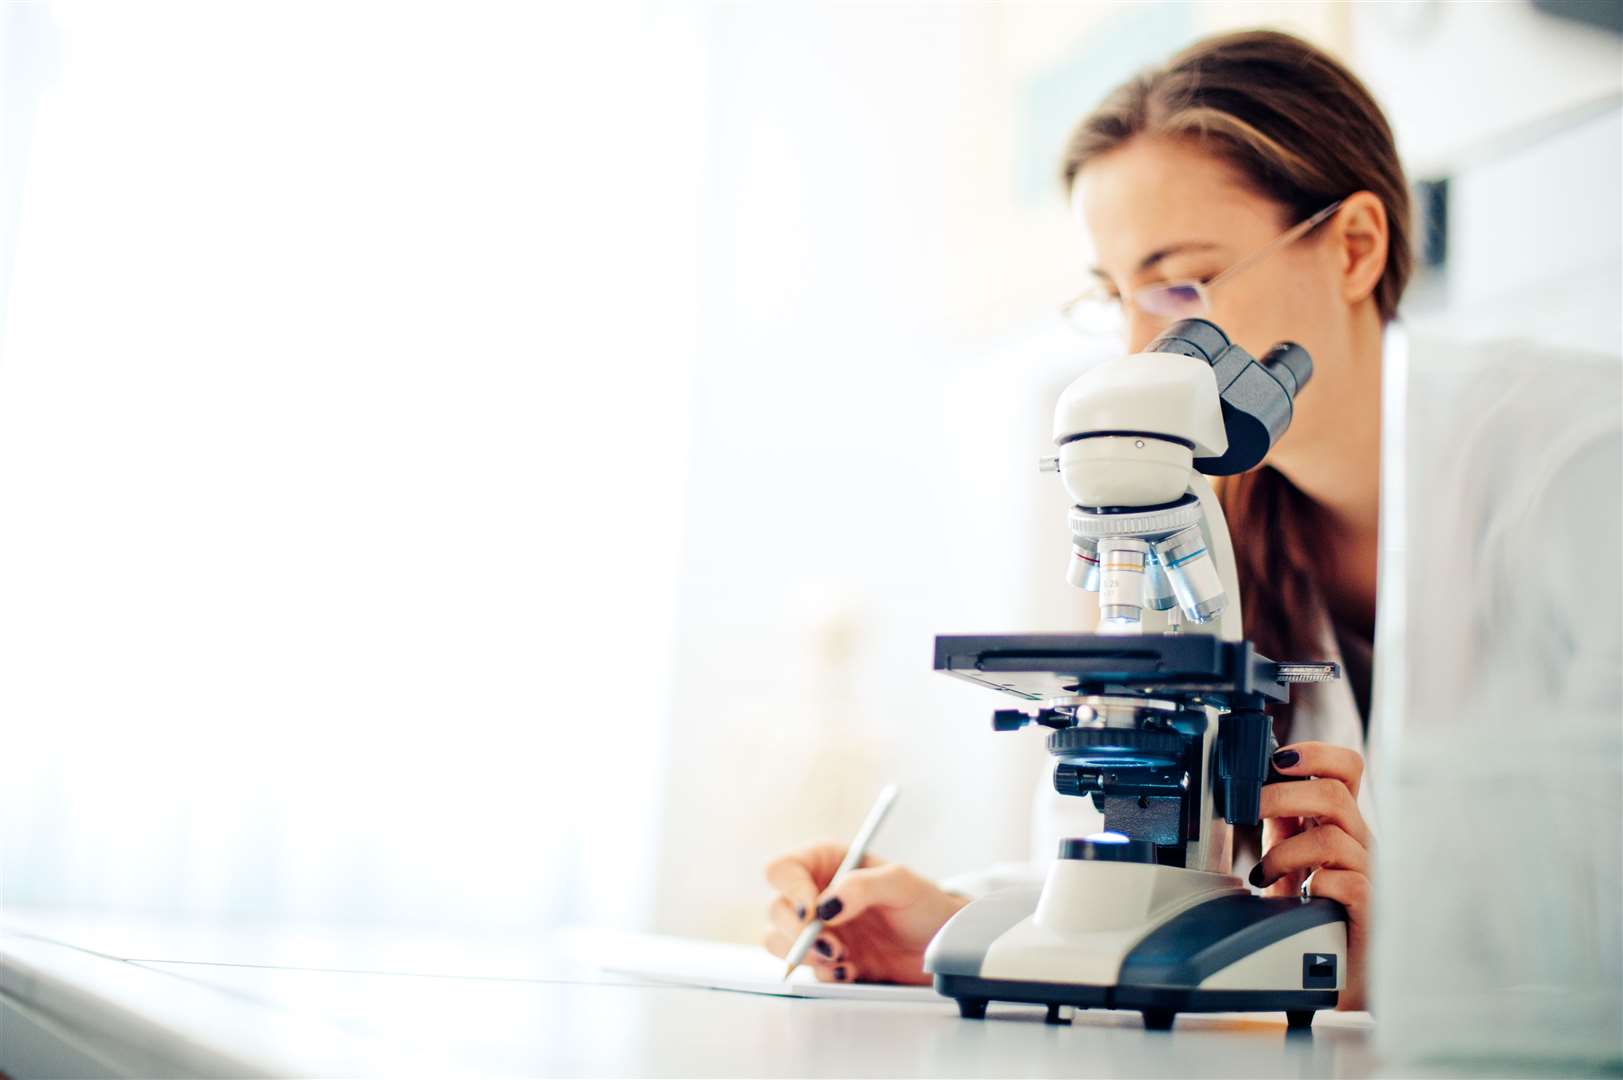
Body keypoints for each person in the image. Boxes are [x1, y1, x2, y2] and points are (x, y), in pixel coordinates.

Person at [764, 29, 1415, 1012]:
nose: (1139, 346)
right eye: (1116, 297)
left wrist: (1407, 967)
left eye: (1181, 287)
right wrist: (945, 923)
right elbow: (1129, 877)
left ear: (1354, 247)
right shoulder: (1196, 525)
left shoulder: (1570, 484)